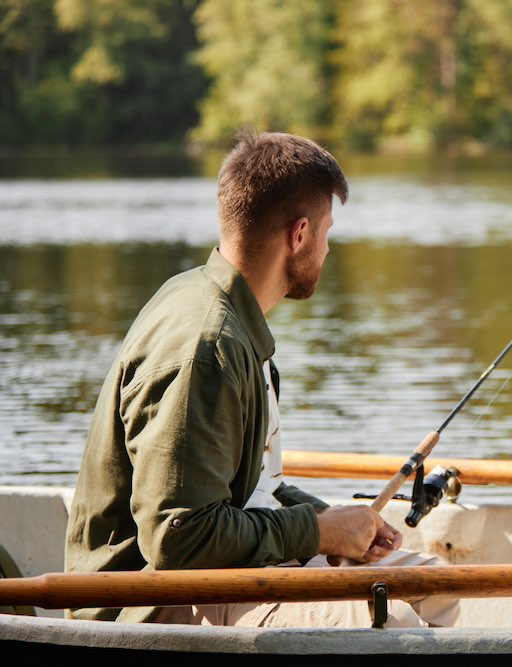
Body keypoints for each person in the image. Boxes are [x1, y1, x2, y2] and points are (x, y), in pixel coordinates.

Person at [65, 130, 455, 628]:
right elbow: (178, 539)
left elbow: (252, 492)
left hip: (226, 567)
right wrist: (317, 534)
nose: (328, 249)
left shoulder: (223, 308)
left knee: (437, 588)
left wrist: (336, 522)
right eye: (327, 232)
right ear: (299, 234)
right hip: (154, 598)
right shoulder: (207, 348)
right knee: (392, 623)